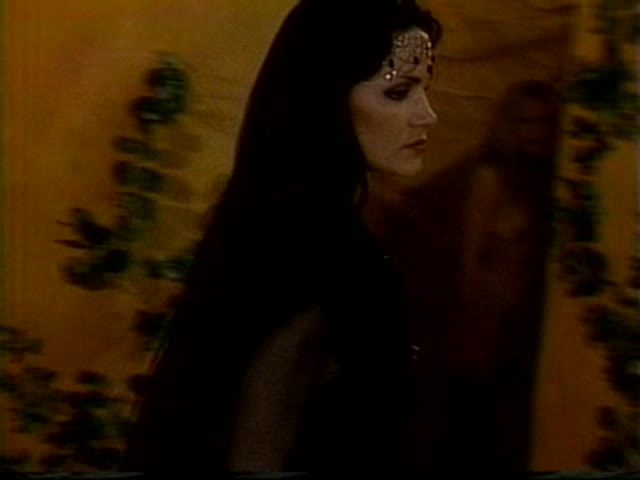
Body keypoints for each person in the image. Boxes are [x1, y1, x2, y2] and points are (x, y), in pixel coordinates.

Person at [122, 0, 442, 473]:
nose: (427, 115)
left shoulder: (280, 220)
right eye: (398, 93)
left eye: (424, 90)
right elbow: (258, 445)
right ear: (325, 100)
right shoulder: (319, 242)